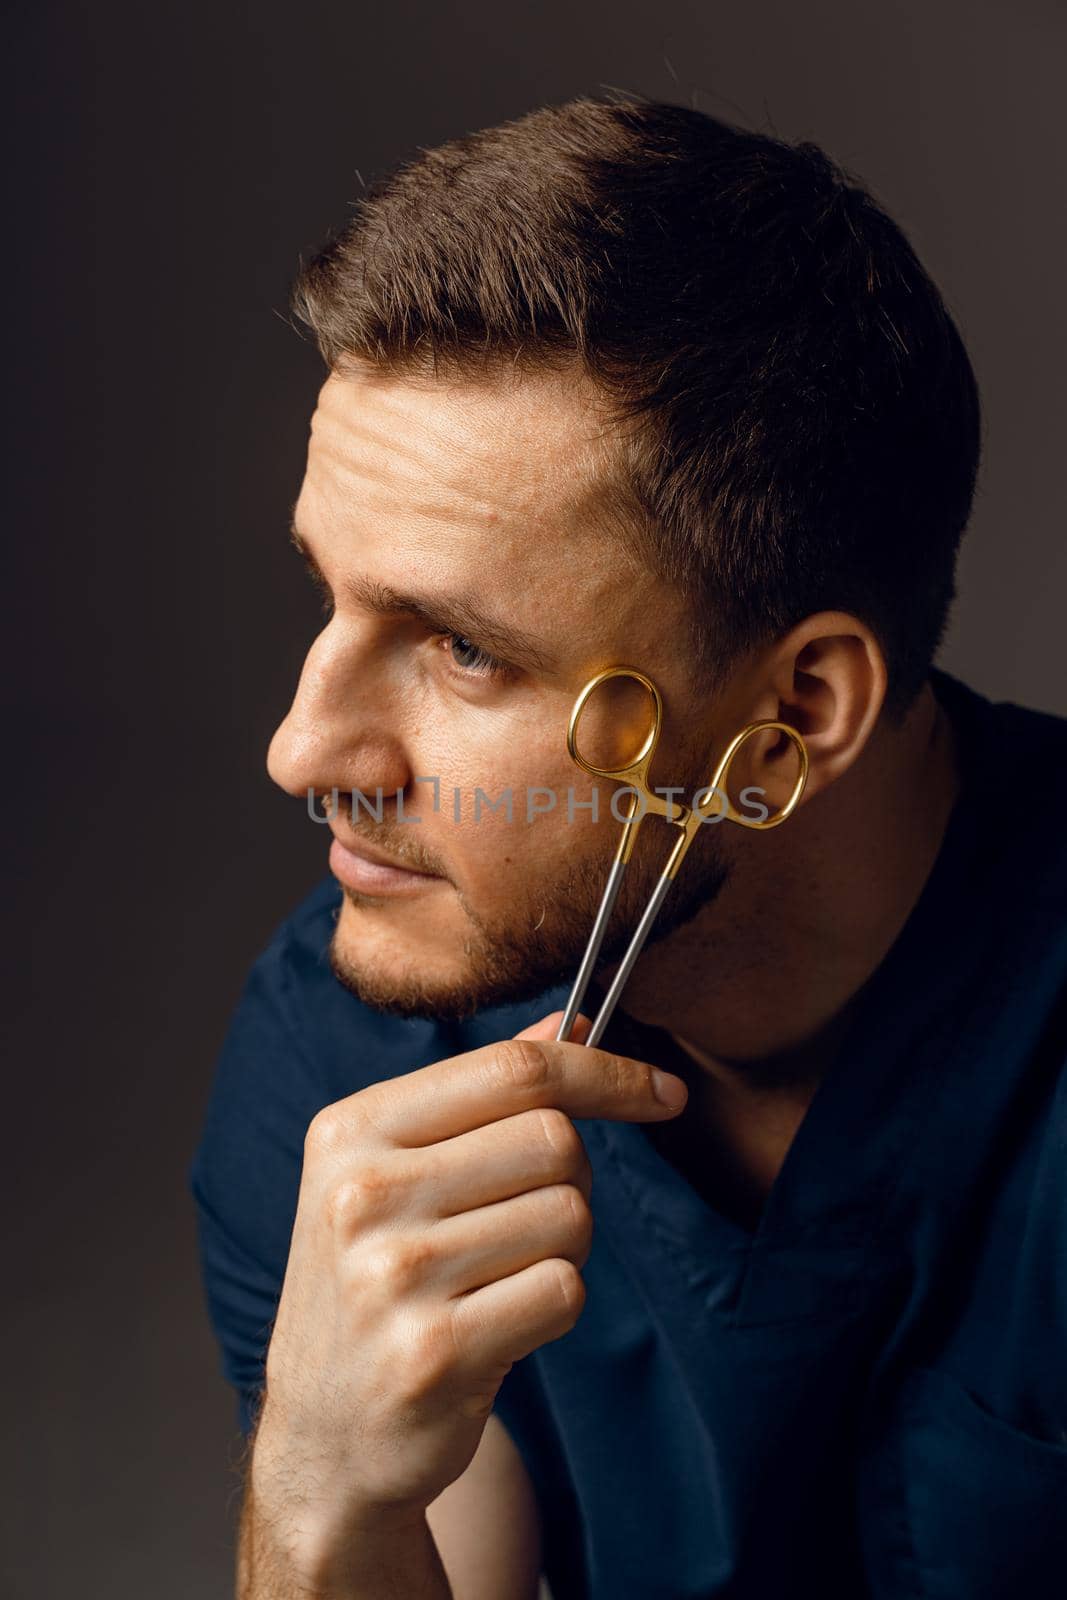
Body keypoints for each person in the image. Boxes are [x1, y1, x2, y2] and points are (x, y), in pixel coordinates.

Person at [189, 95, 1067, 1599]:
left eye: (463, 648)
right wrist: (320, 1498)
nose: (303, 755)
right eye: (330, 598)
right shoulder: (352, 1080)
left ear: (798, 710)